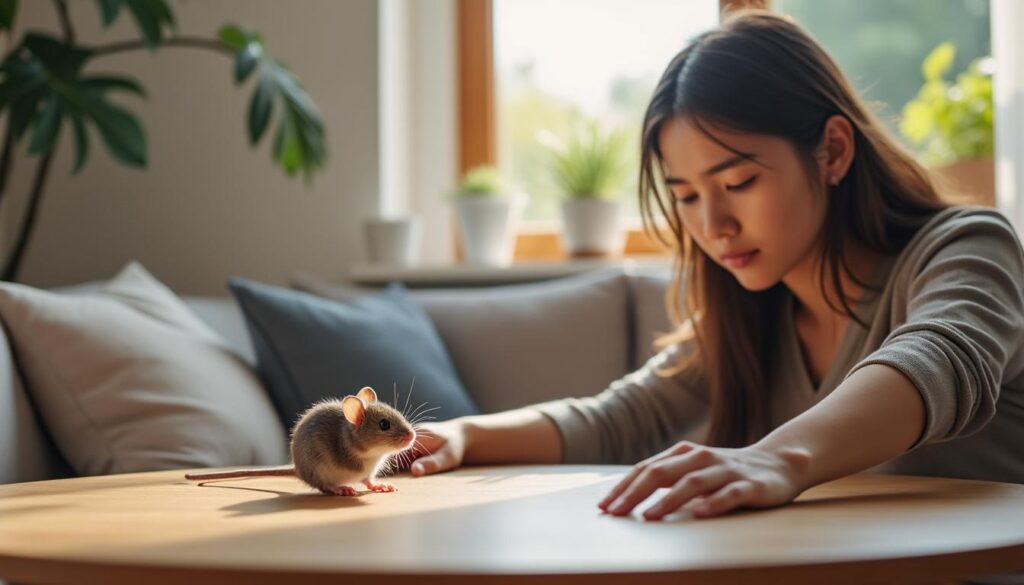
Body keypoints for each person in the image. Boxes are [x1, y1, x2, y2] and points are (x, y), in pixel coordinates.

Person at [408, 10, 1024, 524]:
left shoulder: (966, 246)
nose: (714, 225)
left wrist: (778, 457)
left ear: (833, 150)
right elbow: (619, 417)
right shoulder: (753, 308)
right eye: (687, 195)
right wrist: (466, 436)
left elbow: (940, 358)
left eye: (739, 181)